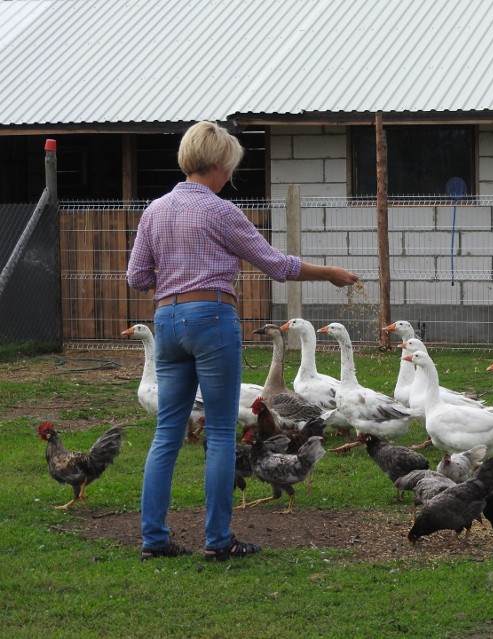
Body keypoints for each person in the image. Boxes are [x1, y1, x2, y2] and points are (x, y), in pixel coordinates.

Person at [127, 120, 359, 562]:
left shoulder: (154, 210)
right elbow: (276, 264)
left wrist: (175, 276)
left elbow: (137, 277)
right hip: (211, 316)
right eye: (229, 167)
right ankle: (218, 541)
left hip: (167, 318)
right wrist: (328, 272)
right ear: (217, 164)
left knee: (167, 434)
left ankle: (153, 540)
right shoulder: (221, 212)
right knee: (218, 431)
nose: (229, 176)